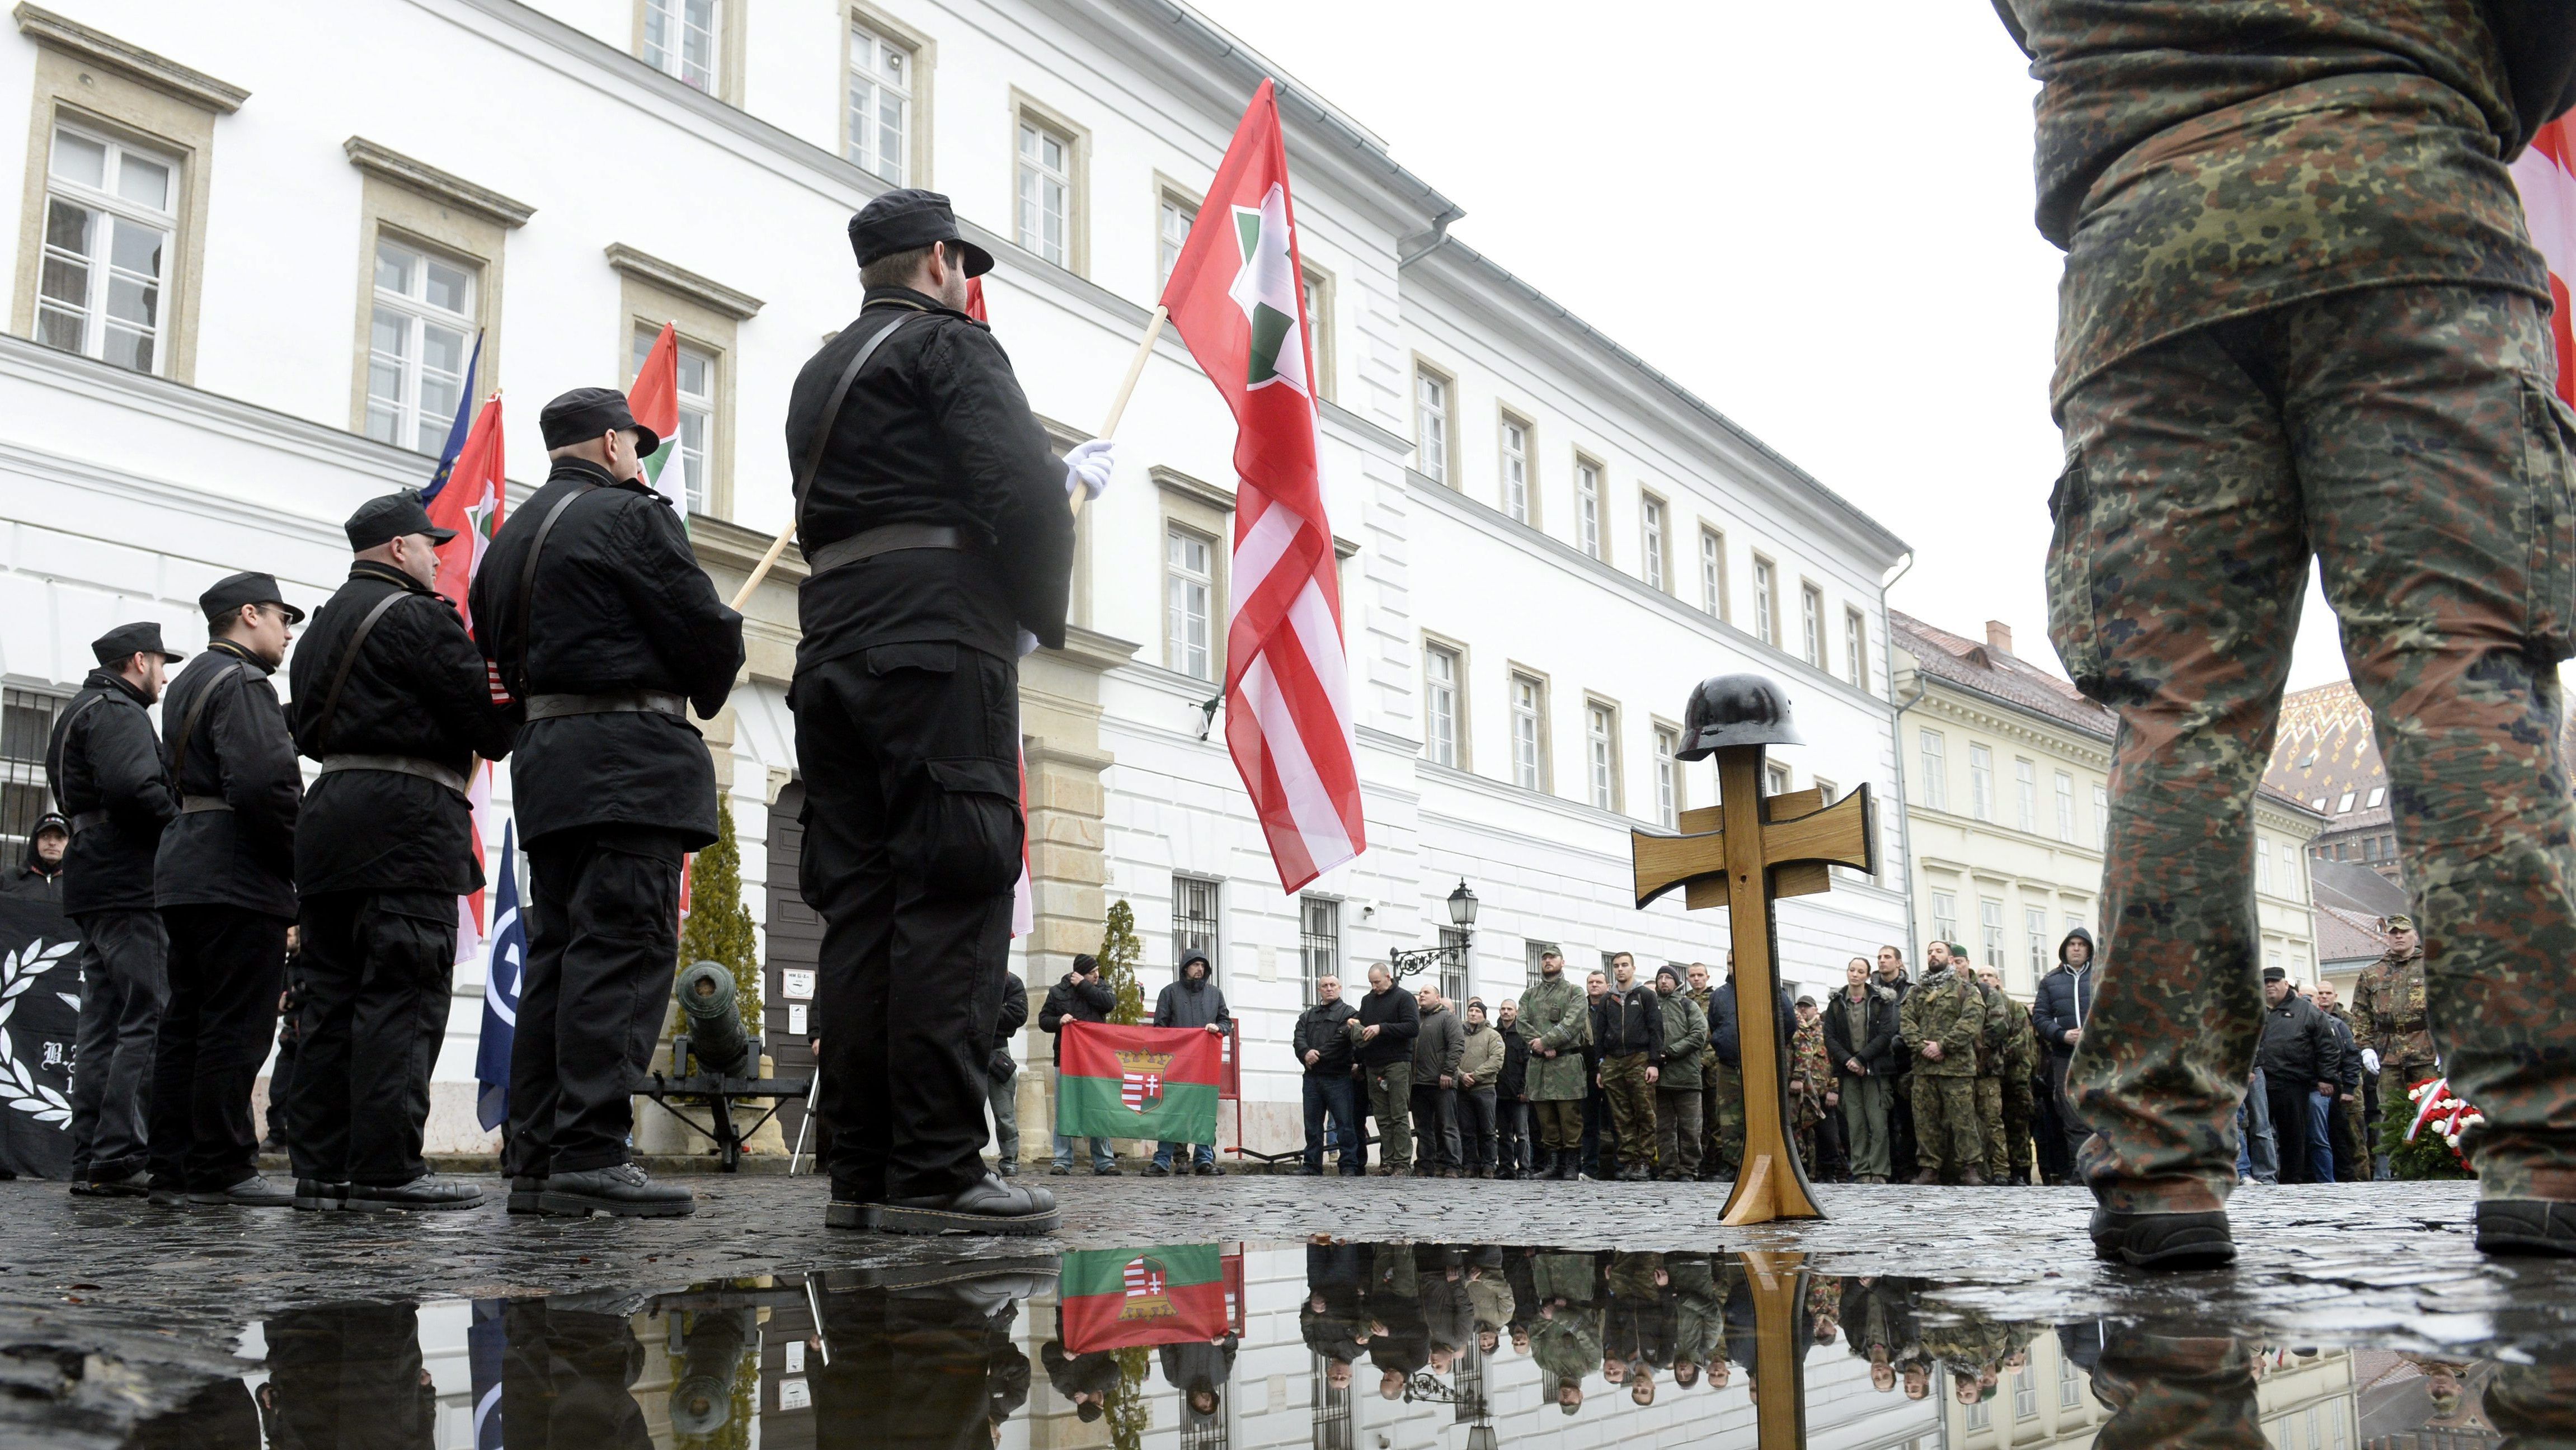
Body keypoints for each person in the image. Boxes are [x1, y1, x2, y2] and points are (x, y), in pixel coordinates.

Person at [1994, 2, 2576, 1265]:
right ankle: (2548, 1146)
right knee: (2458, 671)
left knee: (2176, 719)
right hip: (2401, 187)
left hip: (2142, 240)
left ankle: (2154, 1169)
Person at [778, 188, 1087, 1235]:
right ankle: (939, 1166)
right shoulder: (952, 348)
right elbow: (1025, 494)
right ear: (941, 262)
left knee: (862, 909)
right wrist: (1035, 614)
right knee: (953, 888)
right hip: (934, 635)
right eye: (965, 267)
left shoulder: (819, 370)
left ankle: (861, 1171)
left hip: (831, 641)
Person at [469, 387, 744, 1218]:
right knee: (619, 954)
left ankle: (542, 1154)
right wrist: (724, 633)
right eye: (636, 443)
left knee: (558, 959)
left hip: (551, 767)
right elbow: (700, 636)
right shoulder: (632, 517)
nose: (640, 456)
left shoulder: (507, 542)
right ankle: (592, 1149)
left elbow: (502, 669)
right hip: (628, 765)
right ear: (613, 443)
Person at [284, 493, 519, 1213]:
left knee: (325, 1000)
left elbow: (301, 727)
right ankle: (388, 1167)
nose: (437, 556)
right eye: (429, 545)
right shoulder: (422, 617)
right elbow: (490, 726)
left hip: (329, 819)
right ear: (395, 549)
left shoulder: (320, 626)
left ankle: (321, 1169)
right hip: (406, 822)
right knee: (402, 992)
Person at [151, 573, 304, 1208]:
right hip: (236, 870)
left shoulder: (188, 681)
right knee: (234, 1026)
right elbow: (266, 786)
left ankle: (173, 1164)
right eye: (281, 619)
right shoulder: (244, 683)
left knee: (185, 1022)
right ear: (248, 616)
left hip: (187, 864)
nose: (288, 633)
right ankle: (222, 1164)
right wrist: (300, 864)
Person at [48, 622, 181, 1197]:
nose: (165, 674)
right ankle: (121, 1153)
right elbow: (133, 789)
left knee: (103, 1023)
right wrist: (181, 825)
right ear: (137, 662)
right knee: (144, 1016)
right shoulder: (119, 710)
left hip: (94, 879)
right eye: (159, 662)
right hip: (129, 880)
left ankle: (93, 1155)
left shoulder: (81, 709)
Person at [1898, 941, 1984, 1187]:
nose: (1933, 955)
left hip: (1956, 1069)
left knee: (1964, 1121)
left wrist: (1943, 1046)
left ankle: (1970, 1168)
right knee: (1925, 1121)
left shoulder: (1966, 990)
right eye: (1929, 952)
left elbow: (1971, 1023)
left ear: (1950, 959)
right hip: (1924, 1069)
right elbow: (1906, 1023)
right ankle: (1929, 1168)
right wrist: (1923, 1047)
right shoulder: (1916, 993)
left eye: (1938, 951)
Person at [2254, 968, 2340, 1186]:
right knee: (2258, 1133)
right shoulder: (2254, 1010)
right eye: (2265, 982)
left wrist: (2326, 1078)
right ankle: (2261, 1178)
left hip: (2292, 1083)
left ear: (2286, 984)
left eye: (2275, 981)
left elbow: (2327, 1046)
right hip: (2259, 1082)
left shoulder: (2307, 1011)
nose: (2270, 986)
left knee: (2293, 1136)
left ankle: (2293, 1180)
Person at [2351, 914, 2438, 1127]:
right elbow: (2361, 1013)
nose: (2399, 936)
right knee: (2392, 1116)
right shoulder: (2372, 974)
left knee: (2434, 1111)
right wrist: (2365, 1048)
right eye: (2394, 933)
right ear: (2387, 937)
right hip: (2388, 1053)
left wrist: (2448, 1045)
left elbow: (2448, 1008)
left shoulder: (2431, 968)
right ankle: (2395, 1161)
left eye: (2404, 932)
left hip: (2425, 1050)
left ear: (2415, 935)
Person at [1149, 950, 1230, 1176]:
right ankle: (1162, 1161)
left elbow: (1226, 1022)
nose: (1200, 970)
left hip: (1205, 1065)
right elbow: (1159, 1029)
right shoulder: (1169, 993)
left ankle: (1204, 1160)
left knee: (1204, 1113)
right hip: (1177, 1065)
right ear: (1185, 968)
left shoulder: (1215, 994)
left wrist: (1219, 1029)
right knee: (1170, 1113)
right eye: (1195, 965)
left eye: (1203, 966)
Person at [1040, 952, 1118, 1175]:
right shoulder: (1058, 992)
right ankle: (1062, 1160)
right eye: (1092, 973)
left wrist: (1085, 986)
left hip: (1096, 1060)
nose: (1097, 976)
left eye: (1097, 972)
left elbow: (1108, 1004)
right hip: (1066, 1058)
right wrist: (1059, 1021)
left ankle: (1104, 1160)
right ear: (1080, 973)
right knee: (1065, 1109)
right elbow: (1043, 1020)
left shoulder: (1100, 988)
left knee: (1099, 1108)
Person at [1515, 951, 1590, 1180]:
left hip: (1566, 1063)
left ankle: (1571, 1166)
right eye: (1544, 958)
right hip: (1540, 1066)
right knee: (1546, 1119)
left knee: (1570, 1118)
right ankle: (1553, 1164)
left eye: (1553, 958)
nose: (1548, 961)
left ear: (1562, 962)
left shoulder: (1574, 992)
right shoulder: (1530, 995)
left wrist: (1547, 1041)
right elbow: (1522, 1022)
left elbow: (1574, 1021)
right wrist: (1540, 1045)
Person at [1825, 957, 1899, 1184]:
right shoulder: (1837, 1003)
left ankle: (1879, 1171)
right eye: (1852, 970)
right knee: (1855, 1123)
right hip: (1848, 1071)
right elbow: (1830, 1036)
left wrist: (1861, 1059)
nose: (1855, 974)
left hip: (1874, 1070)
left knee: (1878, 1123)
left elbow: (1886, 1034)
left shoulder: (1879, 1001)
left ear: (1868, 976)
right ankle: (1861, 1170)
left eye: (1860, 971)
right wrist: (1848, 1060)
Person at [1592, 953, 1663, 1182]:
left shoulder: (1645, 996)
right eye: (1616, 966)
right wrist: (1600, 1065)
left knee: (1644, 1112)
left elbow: (1656, 1030)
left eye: (1624, 965)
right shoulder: (1606, 1000)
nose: (1620, 970)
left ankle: (1643, 1161)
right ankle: (1627, 1161)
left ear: (1633, 968)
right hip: (1613, 1061)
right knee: (1620, 1115)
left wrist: (1653, 1063)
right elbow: (1599, 1034)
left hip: (1639, 1058)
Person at [2032, 928, 2096, 1167]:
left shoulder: (2101, 977)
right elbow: (2040, 1017)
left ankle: (2103, 1168)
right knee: (2069, 1110)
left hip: (2098, 1056)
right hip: (2064, 1055)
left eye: (2081, 944)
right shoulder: (2051, 981)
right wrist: (2062, 1035)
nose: (2077, 948)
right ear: (2065, 949)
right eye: (2072, 944)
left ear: (2089, 949)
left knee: (2098, 1106)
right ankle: (2080, 1168)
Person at [1293, 972, 1362, 1176]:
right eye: (1325, 985)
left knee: (1345, 1125)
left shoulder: (1350, 1014)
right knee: (1312, 1126)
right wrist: (1306, 1052)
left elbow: (1342, 1041)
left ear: (1340, 988)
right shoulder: (1308, 1016)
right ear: (1319, 990)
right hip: (1312, 1078)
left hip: (1338, 1077)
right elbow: (1298, 1038)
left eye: (1333, 985)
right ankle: (1312, 1164)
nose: (1329, 988)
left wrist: (1318, 1055)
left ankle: (1349, 1164)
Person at [1352, 963, 1418, 1175]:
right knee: (1382, 1116)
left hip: (1397, 1062)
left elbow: (1412, 1027)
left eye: (1377, 982)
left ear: (1388, 977)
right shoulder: (1368, 1000)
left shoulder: (1404, 997)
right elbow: (1363, 1026)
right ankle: (1388, 1160)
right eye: (1371, 983)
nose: (1374, 987)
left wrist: (1382, 1028)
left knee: (1398, 1114)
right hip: (1373, 1064)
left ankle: (1402, 1162)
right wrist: (1356, 1024)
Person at [1652, 965, 1708, 1183]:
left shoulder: (1688, 1005)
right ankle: (1668, 1170)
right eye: (1660, 978)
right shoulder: (1651, 1005)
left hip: (1687, 1078)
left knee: (1691, 1128)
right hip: (1659, 1079)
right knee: (1663, 1129)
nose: (1664, 981)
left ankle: (1689, 1170)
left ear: (1677, 983)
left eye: (1668, 978)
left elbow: (1698, 1034)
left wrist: (1670, 1052)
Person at [2314, 983, 2371, 1181]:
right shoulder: (2312, 1019)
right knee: (2333, 1134)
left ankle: (2362, 1179)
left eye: (2328, 993)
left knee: (2355, 1135)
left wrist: (2350, 1086)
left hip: (2349, 1082)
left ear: (2335, 995)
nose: (2324, 997)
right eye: (2319, 993)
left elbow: (2353, 1055)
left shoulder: (2347, 1020)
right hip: (2326, 1085)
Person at [1408, 985, 1465, 1178]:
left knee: (1448, 1126)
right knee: (1423, 1129)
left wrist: (1448, 1072)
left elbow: (1456, 1046)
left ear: (1438, 998)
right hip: (1418, 1083)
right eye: (1420, 992)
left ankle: (1453, 1166)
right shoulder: (1414, 1019)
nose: (1421, 995)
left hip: (1441, 1082)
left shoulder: (1448, 1018)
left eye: (1426, 992)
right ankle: (1425, 1165)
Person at [1874, 945, 1918, 1179]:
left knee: (1907, 1119)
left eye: (1887, 957)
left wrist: (1896, 1043)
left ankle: (1909, 1168)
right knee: (1882, 1120)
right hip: (1878, 1065)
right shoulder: (1870, 990)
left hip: (1904, 1063)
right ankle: (1888, 1169)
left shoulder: (1912, 991)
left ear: (1899, 963)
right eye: (1879, 957)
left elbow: (1914, 1022)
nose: (1882, 961)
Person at [1968, 963, 2013, 1181]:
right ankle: (1980, 1170)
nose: (1985, 979)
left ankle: (2001, 1170)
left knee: (1992, 1121)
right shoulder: (1969, 995)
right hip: (1965, 1072)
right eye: (1981, 975)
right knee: (1970, 1123)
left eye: (1990, 975)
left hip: (1988, 1070)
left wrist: (1977, 1046)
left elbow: (2000, 1028)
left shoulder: (1996, 1000)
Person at [1789, 995, 1839, 1180]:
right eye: (1800, 1007)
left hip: (1823, 1092)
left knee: (1828, 1135)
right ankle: (1809, 1173)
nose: (1803, 1010)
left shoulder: (1826, 1032)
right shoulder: (1794, 1030)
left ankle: (1830, 1172)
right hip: (1803, 1093)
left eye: (1807, 1007)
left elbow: (1836, 1062)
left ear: (1816, 1009)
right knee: (1803, 1135)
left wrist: (1834, 1089)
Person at [1456, 997, 1505, 1178]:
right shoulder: (1458, 1034)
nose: (1473, 1014)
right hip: (1463, 1089)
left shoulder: (1493, 1036)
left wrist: (1475, 1076)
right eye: (1471, 1011)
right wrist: (1461, 1075)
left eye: (1477, 1012)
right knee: (1467, 1130)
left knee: (1488, 1130)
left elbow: (1496, 1061)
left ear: (1484, 1015)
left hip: (1484, 1088)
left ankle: (1489, 1165)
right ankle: (1470, 1165)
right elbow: (1451, 1056)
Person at [1684, 962, 1722, 1180]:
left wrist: (1705, 1060)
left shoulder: (1716, 999)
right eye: (1692, 976)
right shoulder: (1685, 1001)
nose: (1696, 979)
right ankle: (1697, 1165)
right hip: (1688, 1066)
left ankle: (1715, 1164)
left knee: (1714, 1117)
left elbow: (1718, 1033)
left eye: (1700, 975)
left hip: (1712, 1067)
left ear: (1707, 977)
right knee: (1695, 1121)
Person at [989, 972, 1027, 1176]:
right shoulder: (967, 976)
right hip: (966, 1049)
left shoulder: (1011, 982)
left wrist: (987, 1009)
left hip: (997, 1051)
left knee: (1004, 1114)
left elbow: (1018, 1015)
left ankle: (1010, 1159)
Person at [1496, 997, 1531, 1178]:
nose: (1506, 1012)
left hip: (1518, 1094)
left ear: (1516, 1012)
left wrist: (1525, 1090)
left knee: (1522, 1134)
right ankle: (1506, 1167)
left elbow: (1528, 1065)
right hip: (1499, 1093)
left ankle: (1525, 1168)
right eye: (1503, 1009)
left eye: (1510, 1009)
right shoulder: (1495, 1034)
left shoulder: (1523, 1035)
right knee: (1503, 1135)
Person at [1581, 968, 1612, 1176]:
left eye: (1599, 982)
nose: (1594, 985)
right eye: (1591, 982)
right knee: (1589, 1122)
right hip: (1586, 1071)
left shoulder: (1615, 1005)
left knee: (1616, 1120)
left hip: (1612, 1067)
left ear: (1607, 986)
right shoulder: (1580, 1008)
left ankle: (1618, 1167)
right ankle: (1590, 1167)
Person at [4, 813, 66, 902]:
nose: (52, 843)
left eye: (59, 837)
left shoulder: (78, 883)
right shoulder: (9, 879)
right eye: (45, 836)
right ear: (35, 840)